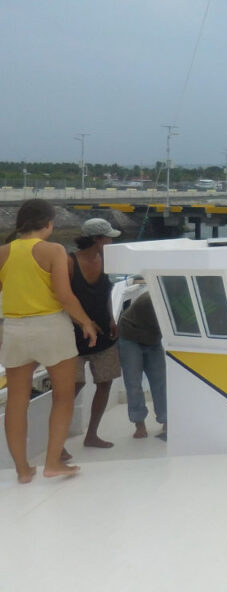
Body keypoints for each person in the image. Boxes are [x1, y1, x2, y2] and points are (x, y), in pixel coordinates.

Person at [0, 199, 99, 482]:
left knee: (17, 402)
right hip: (51, 327)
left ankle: (22, 470)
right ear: (48, 223)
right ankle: (53, 462)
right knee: (63, 397)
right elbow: (65, 296)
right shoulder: (53, 250)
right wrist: (86, 322)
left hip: (15, 328)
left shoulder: (3, 252)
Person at [68, 217, 121, 449]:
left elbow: (107, 293)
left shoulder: (106, 260)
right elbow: (62, 299)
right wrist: (85, 322)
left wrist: (111, 318)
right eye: (108, 237)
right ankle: (57, 443)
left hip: (103, 336)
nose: (111, 240)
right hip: (73, 336)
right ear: (97, 239)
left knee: (105, 382)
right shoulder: (69, 263)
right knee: (73, 387)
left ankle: (92, 434)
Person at [116, 291, 166, 440]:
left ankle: (166, 420)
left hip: (153, 338)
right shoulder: (153, 299)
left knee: (161, 381)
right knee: (133, 383)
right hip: (129, 336)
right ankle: (139, 423)